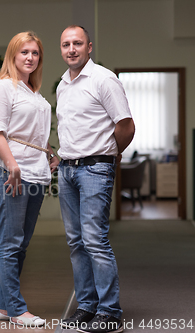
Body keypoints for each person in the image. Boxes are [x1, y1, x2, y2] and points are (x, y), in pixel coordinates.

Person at [56, 25, 135, 333]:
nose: (71, 49)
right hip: (67, 170)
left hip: (95, 169)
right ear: (61, 49)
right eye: (66, 44)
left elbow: (126, 126)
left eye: (77, 43)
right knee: (76, 242)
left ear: (89, 47)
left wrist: (110, 156)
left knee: (94, 240)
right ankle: (87, 306)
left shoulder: (104, 79)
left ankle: (110, 312)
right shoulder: (63, 85)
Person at [0, 31, 59, 327]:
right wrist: (11, 163)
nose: (30, 57)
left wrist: (50, 152)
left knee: (21, 243)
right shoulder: (3, 88)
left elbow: (31, 132)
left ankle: (3, 306)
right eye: (24, 52)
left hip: (36, 172)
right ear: (12, 55)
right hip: (11, 173)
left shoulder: (33, 92)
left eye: (35, 53)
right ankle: (16, 309)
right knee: (10, 243)